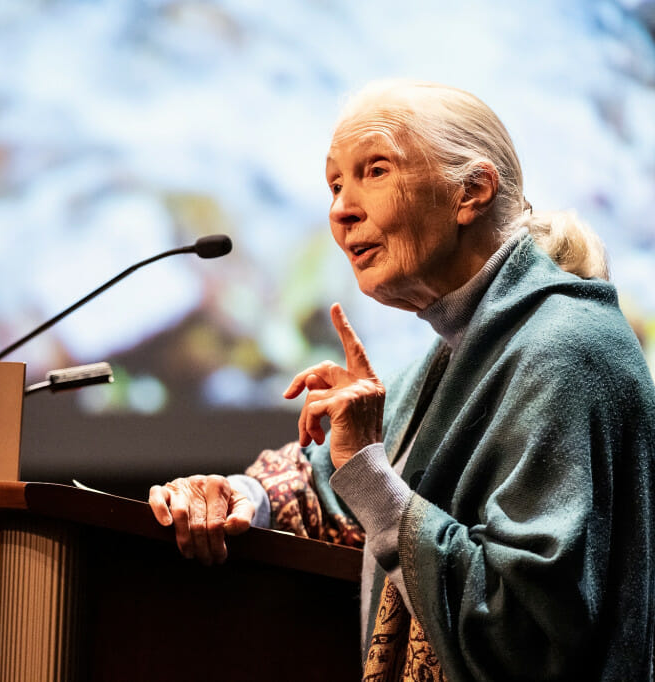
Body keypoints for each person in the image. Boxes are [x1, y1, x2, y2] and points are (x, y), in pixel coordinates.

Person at [148, 79, 655, 681]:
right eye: (335, 184)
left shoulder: (563, 350)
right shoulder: (460, 354)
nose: (340, 208)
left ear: (471, 191)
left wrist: (365, 468)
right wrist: (239, 497)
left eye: (375, 171)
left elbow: (526, 634)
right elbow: (336, 493)